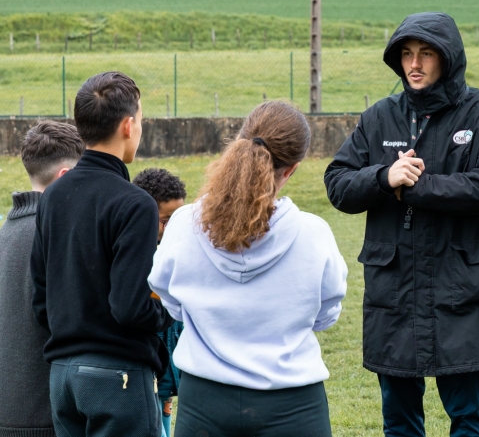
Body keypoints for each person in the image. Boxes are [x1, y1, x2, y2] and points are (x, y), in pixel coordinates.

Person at [325, 12, 479, 437]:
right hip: (395, 292)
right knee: (399, 422)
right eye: (407, 54)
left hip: (463, 288)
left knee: (468, 418)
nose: (415, 64)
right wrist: (382, 177)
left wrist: (413, 187)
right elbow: (337, 183)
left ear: (448, 58)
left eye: (426, 53)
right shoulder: (378, 117)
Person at [148, 100, 348, 437]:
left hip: (204, 401)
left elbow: (170, 299)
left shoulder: (183, 225)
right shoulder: (314, 234)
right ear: (293, 169)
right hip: (294, 403)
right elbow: (326, 314)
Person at [31, 71, 172, 437]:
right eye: (140, 120)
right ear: (128, 125)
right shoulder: (135, 203)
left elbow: (41, 299)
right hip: (118, 379)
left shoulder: (52, 197)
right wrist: (169, 311)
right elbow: (129, 306)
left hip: (63, 379)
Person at [0, 120, 85, 437]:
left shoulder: (12, 226)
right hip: (37, 416)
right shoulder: (50, 231)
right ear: (65, 177)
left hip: (4, 409)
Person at [132, 168, 188, 437]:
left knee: (164, 415)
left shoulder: (179, 248)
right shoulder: (135, 254)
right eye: (165, 220)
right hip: (147, 357)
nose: (170, 230)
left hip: (171, 355)